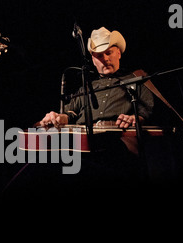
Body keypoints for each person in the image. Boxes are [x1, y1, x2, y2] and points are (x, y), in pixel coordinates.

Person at [37, 26, 155, 181]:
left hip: (117, 144)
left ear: (118, 53)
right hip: (81, 147)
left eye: (109, 53)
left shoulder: (136, 81)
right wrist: (58, 117)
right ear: (92, 59)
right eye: (99, 55)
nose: (105, 59)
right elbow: (69, 113)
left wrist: (135, 119)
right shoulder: (86, 88)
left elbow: (146, 110)